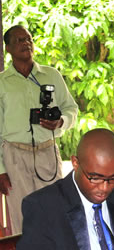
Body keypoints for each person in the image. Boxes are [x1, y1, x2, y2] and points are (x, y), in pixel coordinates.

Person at [0, 25, 79, 234]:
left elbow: (71, 109)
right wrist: (1, 170)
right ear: (8, 48)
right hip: (14, 156)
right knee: (22, 218)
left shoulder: (51, 75)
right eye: (19, 40)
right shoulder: (2, 82)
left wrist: (60, 122)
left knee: (55, 213)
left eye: (28, 39)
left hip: (47, 153)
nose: (26, 43)